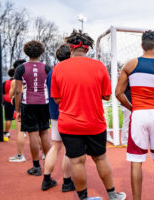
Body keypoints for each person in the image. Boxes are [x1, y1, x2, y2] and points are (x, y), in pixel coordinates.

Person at [51, 30, 126, 200]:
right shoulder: (98, 66)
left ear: (71, 47)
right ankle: (112, 194)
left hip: (69, 123)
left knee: (76, 161)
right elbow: (107, 95)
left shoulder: (59, 68)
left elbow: (56, 99)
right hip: (94, 122)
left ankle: (83, 198)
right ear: (88, 48)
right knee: (100, 158)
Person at [116, 30, 154, 200]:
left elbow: (118, 93)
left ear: (141, 45)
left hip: (139, 114)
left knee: (136, 161)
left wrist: (132, 108)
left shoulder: (130, 65)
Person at [41, 44, 75, 192]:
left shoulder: (52, 71)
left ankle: (46, 179)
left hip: (55, 114)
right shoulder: (68, 70)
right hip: (68, 112)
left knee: (55, 146)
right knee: (69, 149)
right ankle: (67, 182)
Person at [14, 40, 51, 175]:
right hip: (44, 103)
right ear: (41, 52)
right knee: (44, 133)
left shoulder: (21, 68)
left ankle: (36, 166)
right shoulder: (47, 68)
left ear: (26, 52)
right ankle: (49, 163)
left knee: (33, 135)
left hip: (28, 104)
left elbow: (18, 91)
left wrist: (17, 110)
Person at [8, 59, 27, 162]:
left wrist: (13, 97)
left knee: (20, 131)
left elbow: (11, 94)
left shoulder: (15, 80)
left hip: (21, 103)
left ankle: (20, 156)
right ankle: (44, 154)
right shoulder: (32, 76)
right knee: (37, 131)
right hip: (34, 102)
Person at [2, 68, 16, 138]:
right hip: (16, 100)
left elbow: (2, 93)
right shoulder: (17, 82)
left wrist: (2, 102)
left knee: (8, 118)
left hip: (7, 100)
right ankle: (23, 132)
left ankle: (6, 132)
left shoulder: (5, 82)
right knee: (20, 117)